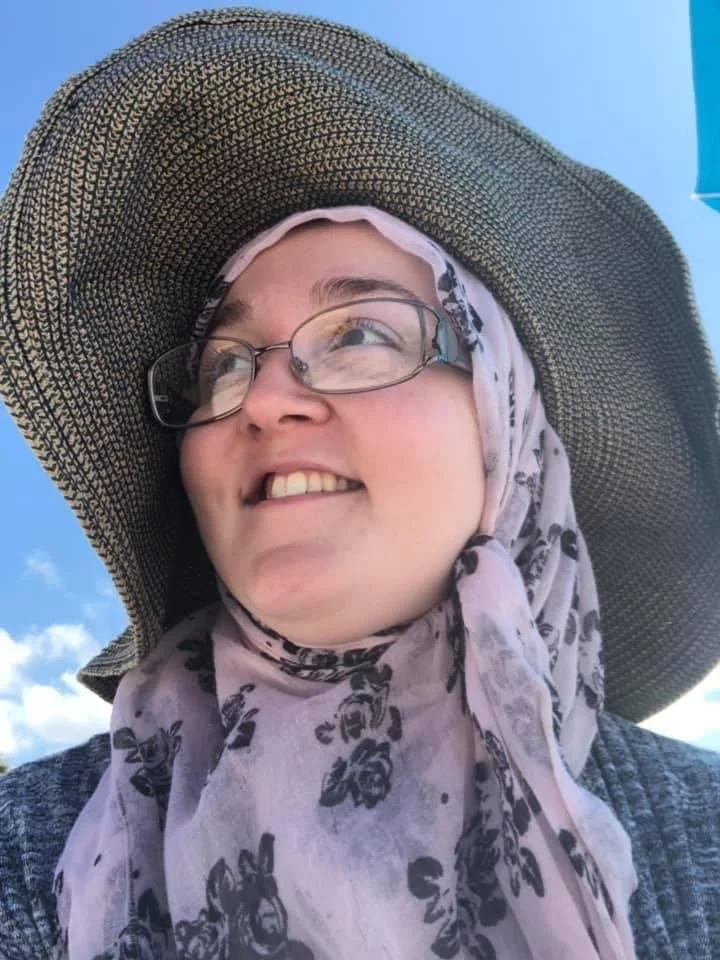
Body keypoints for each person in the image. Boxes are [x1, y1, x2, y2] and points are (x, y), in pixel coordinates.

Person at [1, 9, 719, 960]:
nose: (259, 399)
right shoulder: (27, 848)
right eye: (220, 366)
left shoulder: (699, 834)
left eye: (362, 336)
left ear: (509, 425)